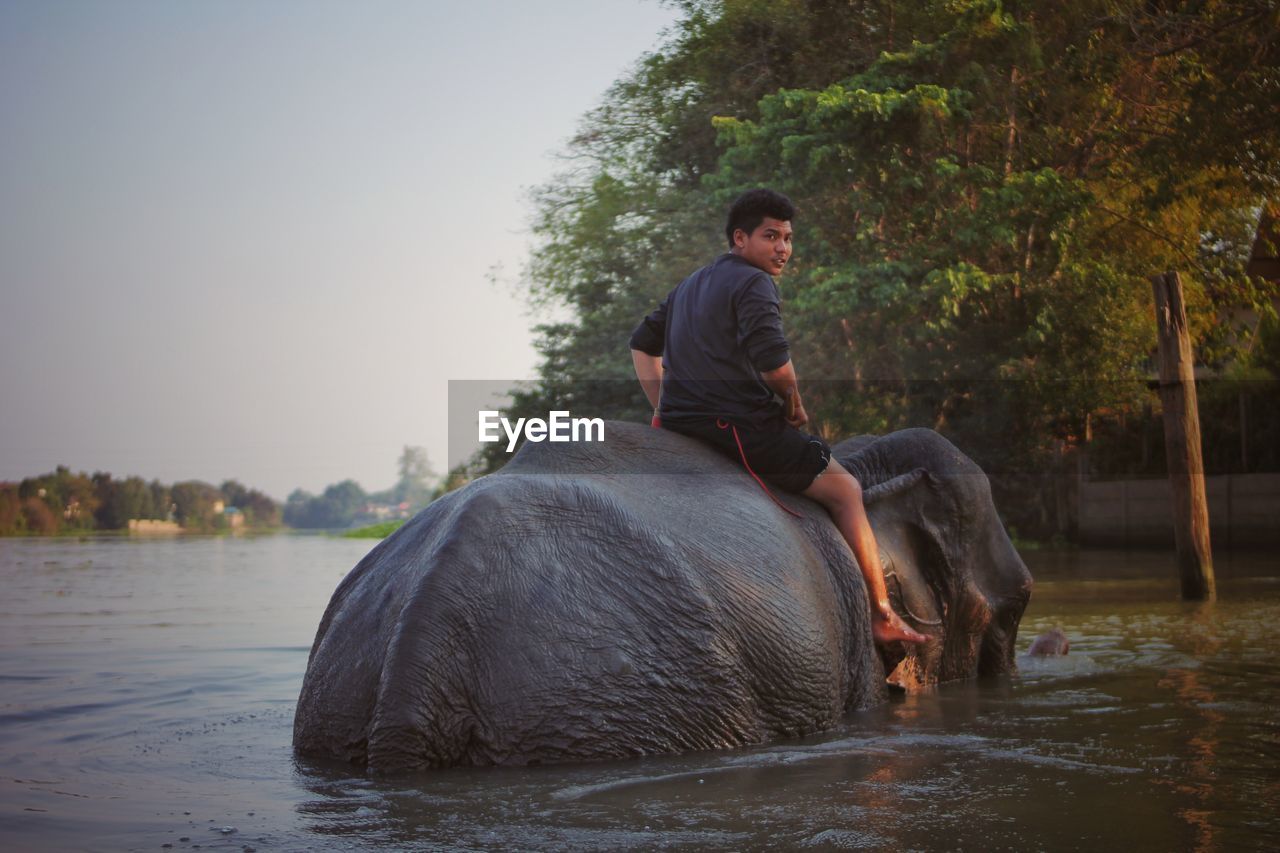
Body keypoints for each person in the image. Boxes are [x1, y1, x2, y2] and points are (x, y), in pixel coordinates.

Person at [628, 188, 927, 646]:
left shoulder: (690, 283)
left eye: (788, 238)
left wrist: (662, 407)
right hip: (739, 429)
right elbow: (776, 367)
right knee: (846, 489)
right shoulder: (754, 282)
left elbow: (642, 344)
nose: (783, 249)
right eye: (771, 237)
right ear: (740, 238)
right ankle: (882, 614)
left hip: (683, 426)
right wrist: (795, 405)